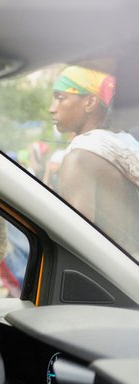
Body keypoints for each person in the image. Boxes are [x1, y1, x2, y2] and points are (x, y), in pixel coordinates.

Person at [50, 65, 139, 256]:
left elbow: (77, 245)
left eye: (60, 98)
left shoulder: (80, 158)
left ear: (90, 102)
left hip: (108, 278)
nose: (52, 109)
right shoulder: (123, 145)